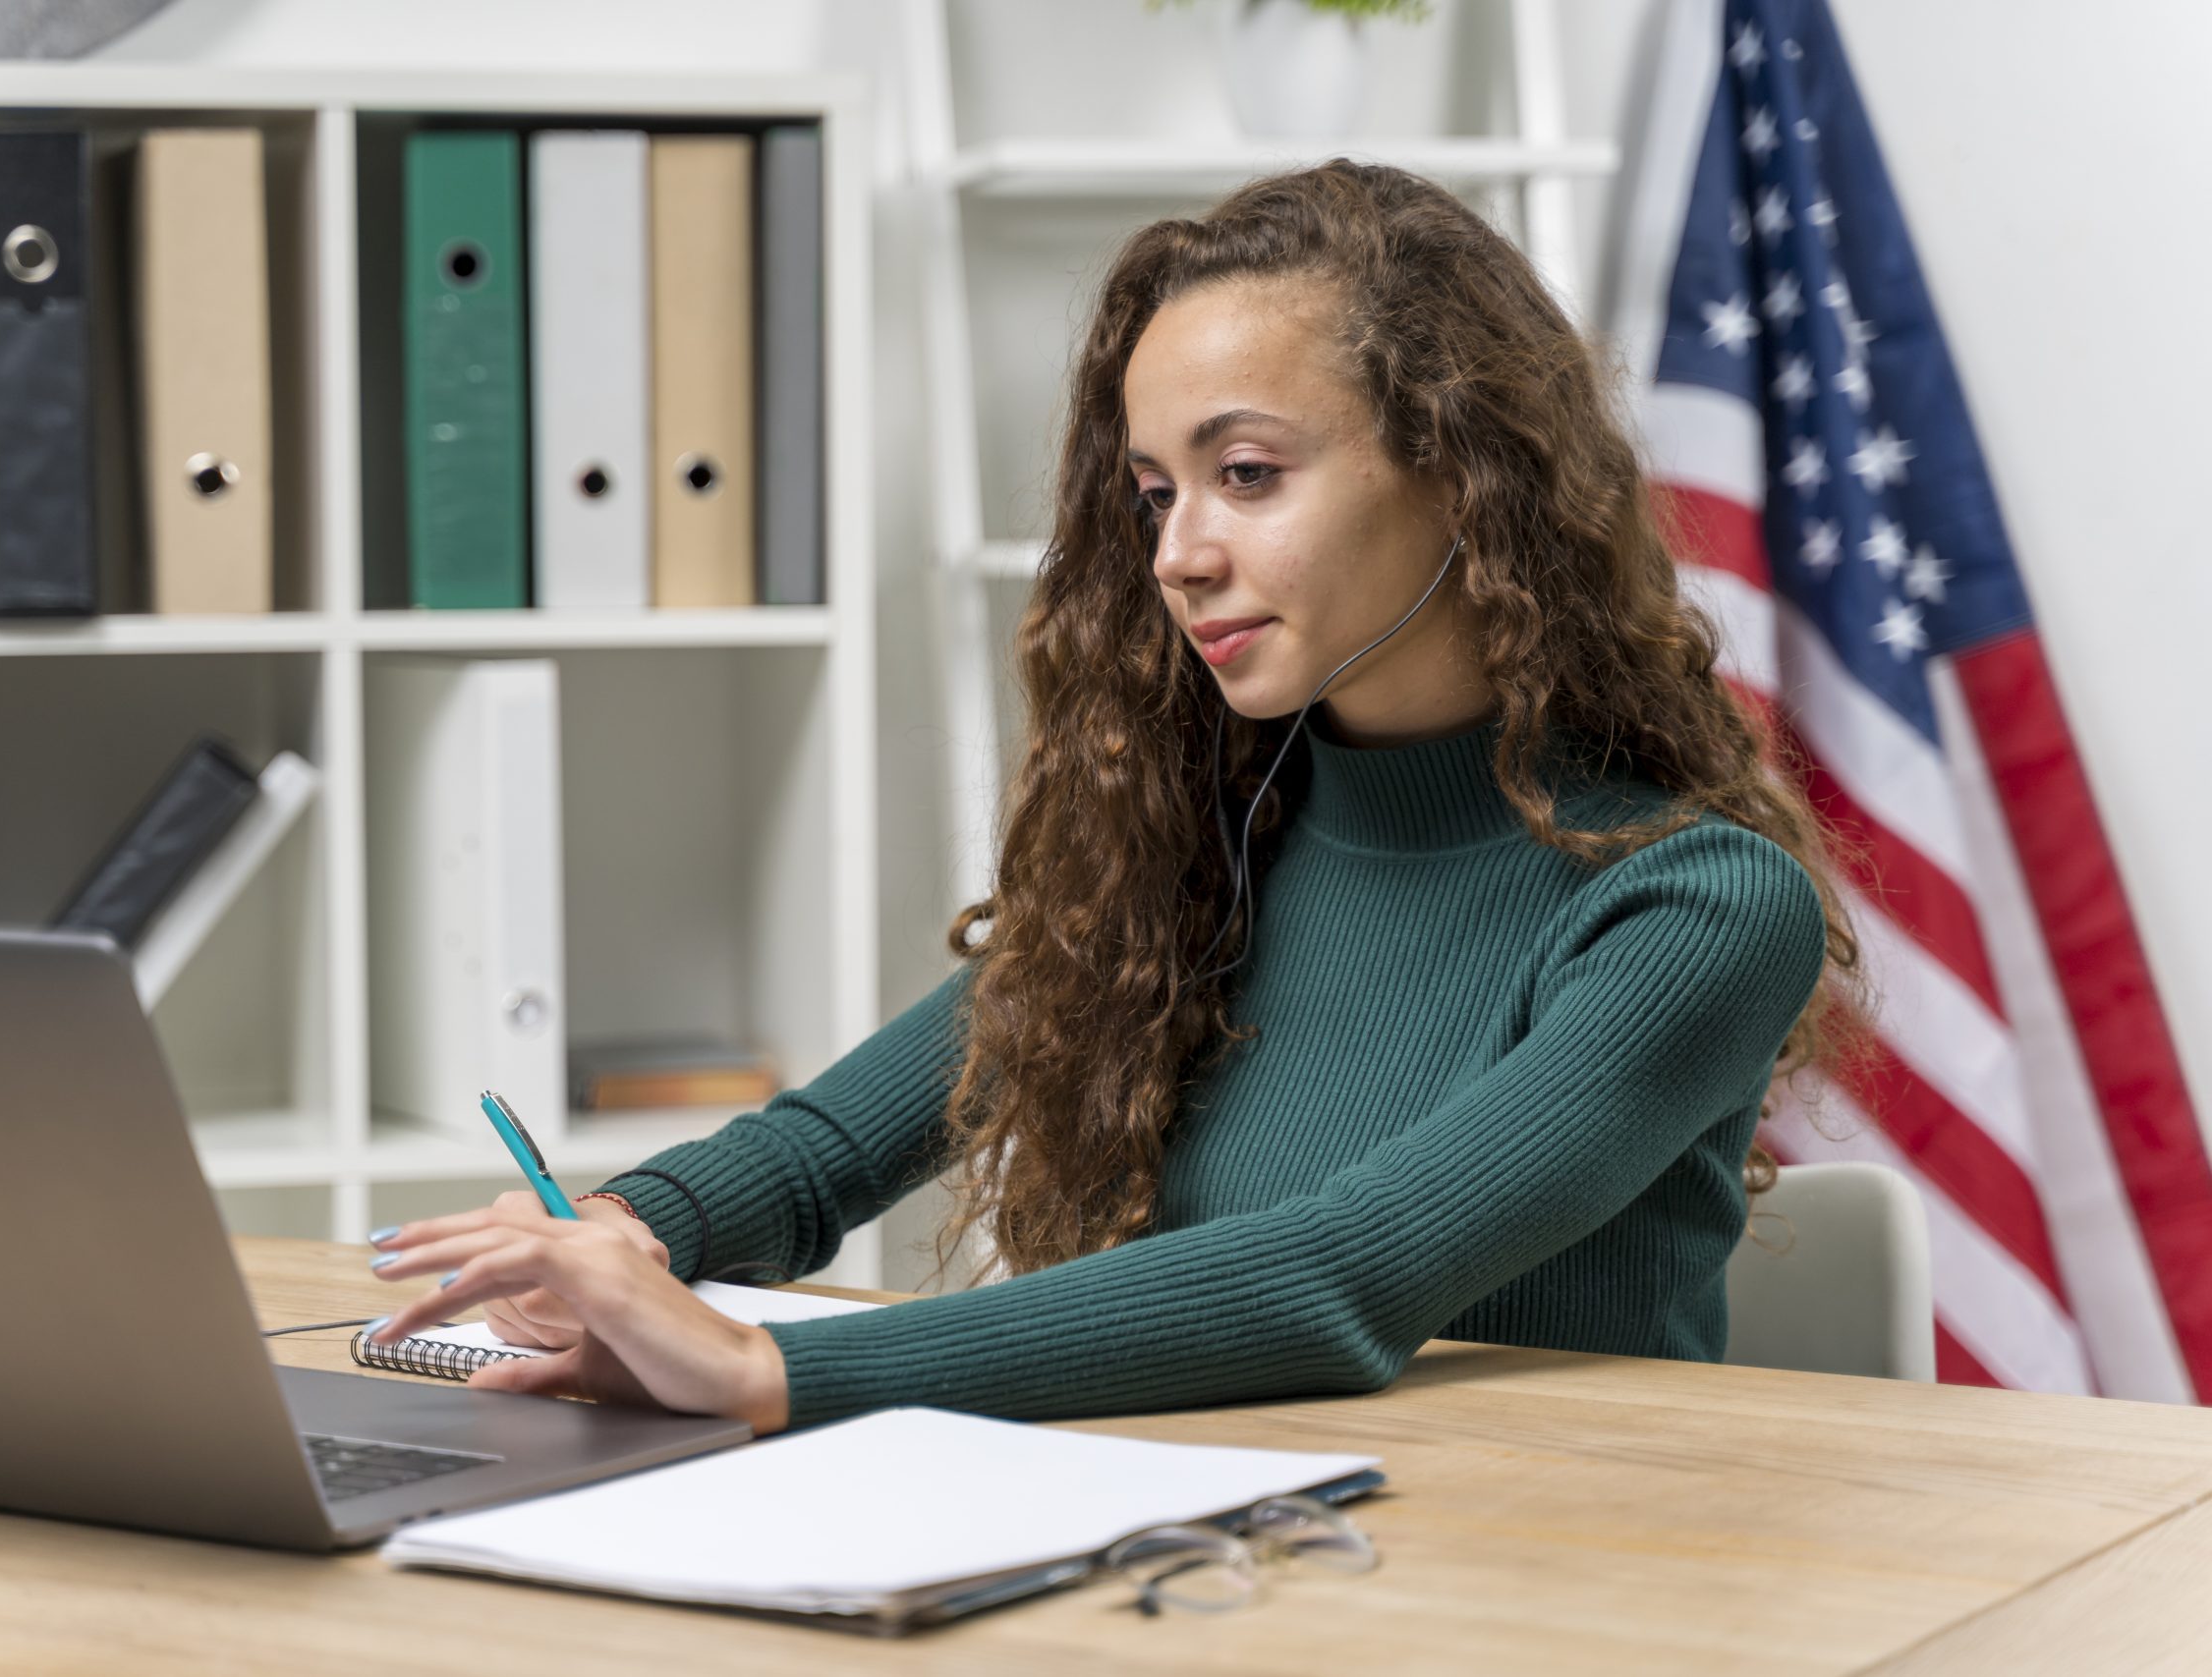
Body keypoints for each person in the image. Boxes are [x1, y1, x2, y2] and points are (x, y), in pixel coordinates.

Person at [363, 160, 1874, 1437]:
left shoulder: (1698, 908)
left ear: (1466, 472)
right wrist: (619, 1236)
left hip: (1559, 1595)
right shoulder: (1205, 847)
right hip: (1213, 1554)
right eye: (1158, 491)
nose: (1178, 554)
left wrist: (768, 1367)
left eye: (1251, 475)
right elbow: (833, 1148)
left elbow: (1345, 1275)